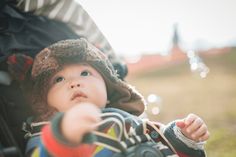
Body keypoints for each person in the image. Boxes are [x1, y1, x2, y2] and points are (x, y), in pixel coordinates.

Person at [8, 38, 209, 157]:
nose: (74, 82)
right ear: (44, 102)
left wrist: (184, 136)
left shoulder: (126, 120)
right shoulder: (44, 134)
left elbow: (165, 146)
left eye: (85, 73)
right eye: (59, 79)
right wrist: (64, 137)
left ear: (108, 86)